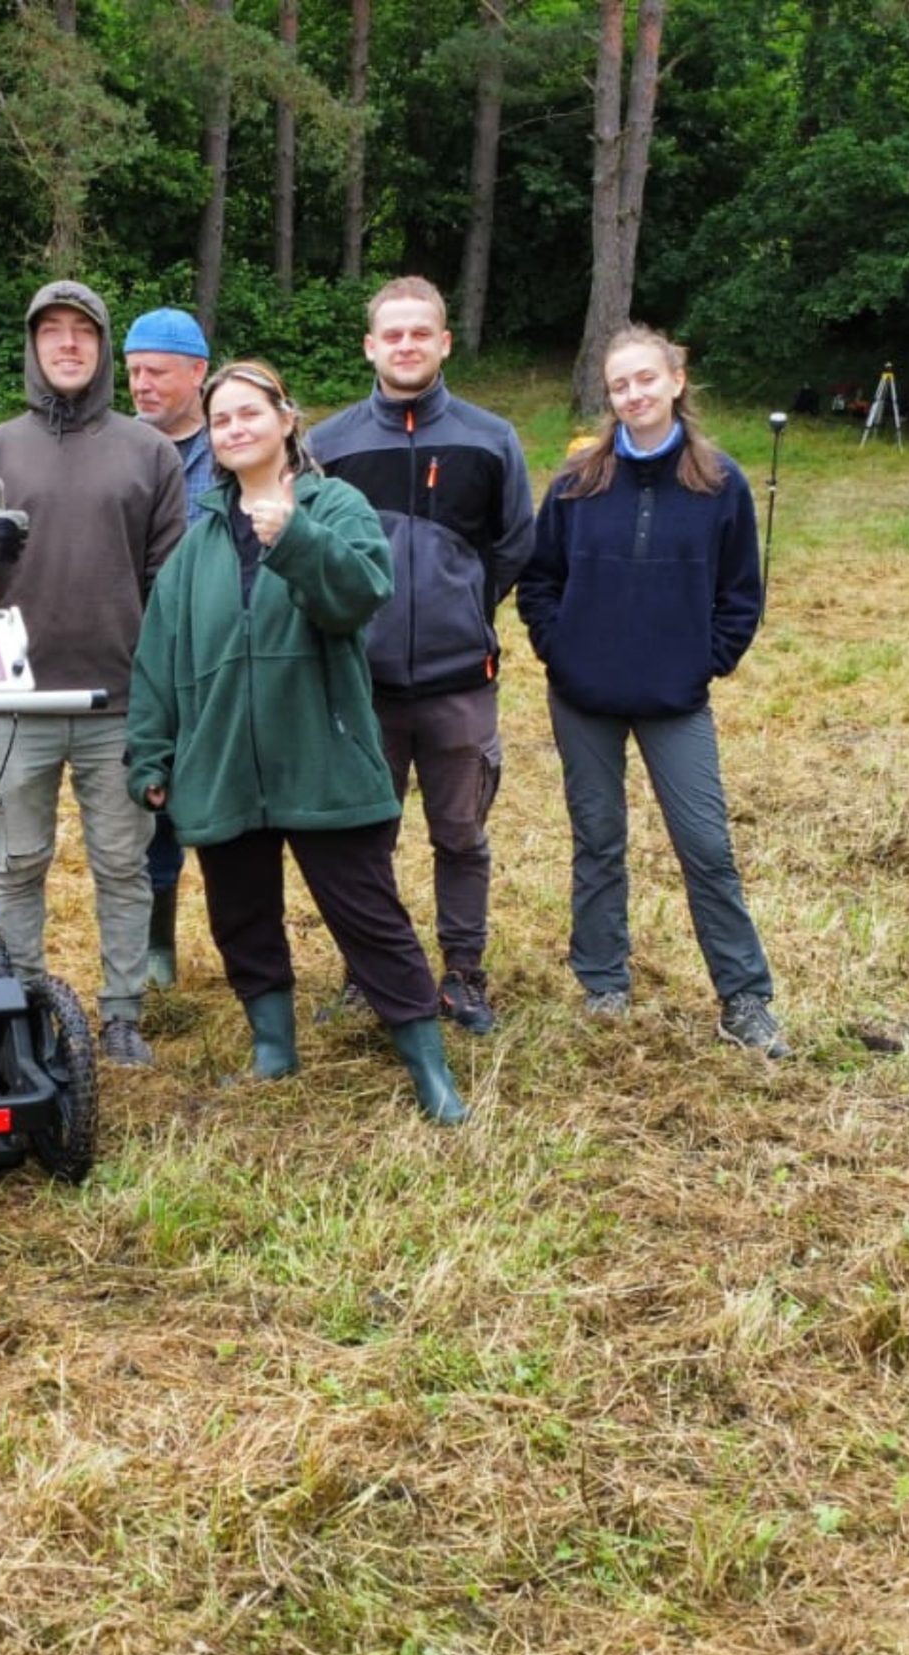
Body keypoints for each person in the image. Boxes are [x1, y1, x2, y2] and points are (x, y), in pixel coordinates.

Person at [126, 362, 467, 1123]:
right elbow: (157, 658)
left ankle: (430, 1069)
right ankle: (273, 1051)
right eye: (221, 420)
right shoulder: (197, 543)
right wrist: (151, 754)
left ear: (286, 420)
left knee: (368, 914)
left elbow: (360, 596)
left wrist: (295, 537)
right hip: (222, 762)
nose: (235, 428)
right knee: (241, 915)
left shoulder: (335, 506)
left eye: (250, 413)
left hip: (322, 753)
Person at [517, 323, 789, 1059]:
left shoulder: (720, 484)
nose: (633, 394)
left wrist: (704, 662)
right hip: (584, 698)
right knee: (598, 839)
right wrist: (560, 650)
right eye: (619, 385)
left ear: (676, 380)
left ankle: (745, 997)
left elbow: (741, 593)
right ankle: (603, 981)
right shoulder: (576, 483)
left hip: (675, 701)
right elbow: (539, 580)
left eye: (645, 379)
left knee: (706, 845)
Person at [0, 281, 185, 1066]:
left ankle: (122, 1014)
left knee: (123, 863)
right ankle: (22, 1009)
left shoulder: (150, 452)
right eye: (52, 331)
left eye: (83, 331)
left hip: (120, 702)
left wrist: (167, 701)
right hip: (16, 701)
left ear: (103, 348)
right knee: (17, 863)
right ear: (33, 346)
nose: (68, 344)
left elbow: (170, 587)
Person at [308, 276, 533, 1036]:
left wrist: (460, 607)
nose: (406, 345)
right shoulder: (329, 445)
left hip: (458, 683)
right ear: (370, 346)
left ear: (444, 342)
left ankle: (463, 973)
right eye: (392, 334)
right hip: (361, 684)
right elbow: (315, 554)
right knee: (362, 839)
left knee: (461, 834)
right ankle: (368, 972)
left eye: (420, 333)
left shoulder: (490, 438)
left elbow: (514, 544)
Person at [120, 306, 214, 990]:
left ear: (198, 372)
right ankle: (156, 944)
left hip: (216, 663)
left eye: (156, 371)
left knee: (219, 808)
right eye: (132, 372)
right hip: (140, 664)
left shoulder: (232, 443)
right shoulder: (118, 449)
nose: (142, 385)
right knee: (149, 809)